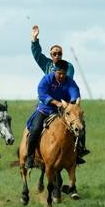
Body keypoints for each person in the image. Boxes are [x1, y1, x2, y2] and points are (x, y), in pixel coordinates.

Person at [30, 25, 88, 163]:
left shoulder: (68, 67)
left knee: (80, 124)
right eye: (54, 54)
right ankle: (31, 156)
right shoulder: (47, 65)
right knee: (36, 127)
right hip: (47, 105)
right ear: (51, 55)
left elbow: (70, 86)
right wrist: (34, 39)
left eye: (59, 53)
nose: (57, 55)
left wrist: (72, 102)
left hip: (64, 106)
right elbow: (37, 55)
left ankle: (79, 151)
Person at [24, 60, 81, 170]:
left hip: (64, 112)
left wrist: (72, 103)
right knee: (35, 129)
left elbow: (74, 92)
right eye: (59, 73)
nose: (61, 76)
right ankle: (30, 157)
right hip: (45, 110)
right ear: (55, 71)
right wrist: (57, 103)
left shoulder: (69, 81)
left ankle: (78, 153)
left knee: (79, 127)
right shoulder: (47, 79)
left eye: (64, 73)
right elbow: (42, 93)